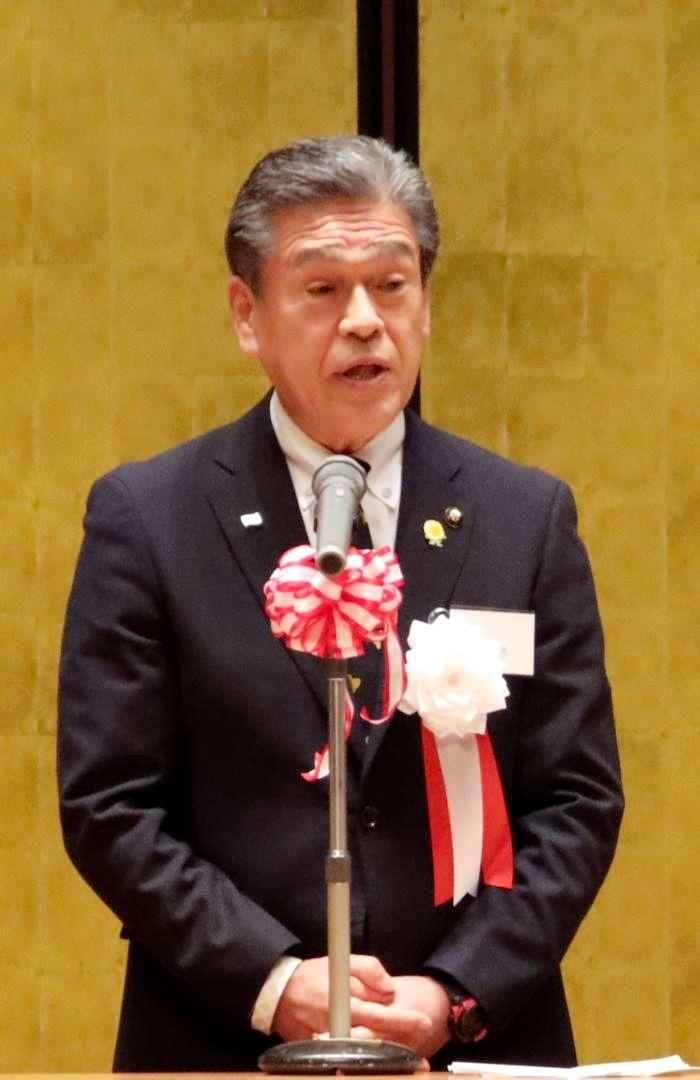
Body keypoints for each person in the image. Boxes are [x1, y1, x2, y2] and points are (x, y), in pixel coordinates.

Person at [58, 135, 623, 1072]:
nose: (364, 321)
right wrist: (274, 980)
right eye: (322, 288)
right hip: (222, 1041)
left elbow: (577, 800)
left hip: (470, 1047)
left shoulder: (525, 518)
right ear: (248, 314)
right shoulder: (149, 518)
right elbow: (110, 806)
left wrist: (455, 992)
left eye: (392, 285)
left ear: (425, 305)